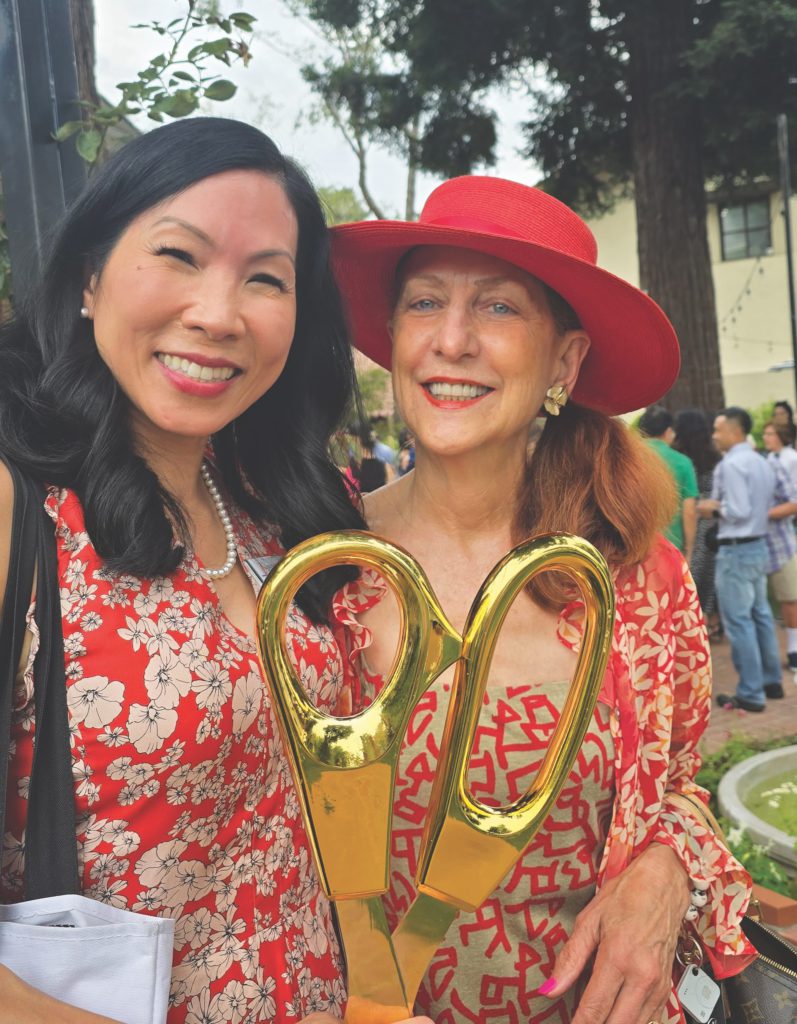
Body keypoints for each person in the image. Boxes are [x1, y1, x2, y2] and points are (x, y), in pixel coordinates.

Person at [0, 117, 429, 1024]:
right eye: (179, 255)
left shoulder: (277, 507)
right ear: (88, 276)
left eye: (265, 279)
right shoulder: (21, 507)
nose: (219, 313)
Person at [329, 176, 755, 1024]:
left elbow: (676, 787)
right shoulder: (311, 569)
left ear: (563, 362)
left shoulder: (640, 583)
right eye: (423, 302)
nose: (451, 340)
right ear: (393, 337)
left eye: (497, 309)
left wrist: (668, 867)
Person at [697, 408, 782, 713]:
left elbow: (739, 510)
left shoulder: (732, 465)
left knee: (739, 621)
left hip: (736, 548)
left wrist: (711, 509)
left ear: (734, 432)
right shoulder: (760, 461)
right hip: (757, 545)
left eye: (718, 430)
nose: (714, 436)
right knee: (760, 615)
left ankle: (751, 692)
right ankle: (771, 681)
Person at [672, 409, 721, 637]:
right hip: (712, 524)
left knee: (693, 576)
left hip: (689, 521)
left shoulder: (678, 456)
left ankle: (696, 626)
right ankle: (713, 622)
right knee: (711, 575)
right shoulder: (715, 455)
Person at [639, 405, 699, 562]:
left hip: (634, 545)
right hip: (671, 547)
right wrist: (690, 548)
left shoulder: (628, 458)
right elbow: (689, 511)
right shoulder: (682, 462)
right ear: (668, 432)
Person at [762, 421, 797, 679]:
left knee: (789, 598)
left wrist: (760, 515)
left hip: (781, 541)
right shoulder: (768, 459)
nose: (766, 436)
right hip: (764, 543)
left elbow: (793, 501)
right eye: (764, 432)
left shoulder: (789, 459)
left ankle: (794, 651)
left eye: (770, 432)